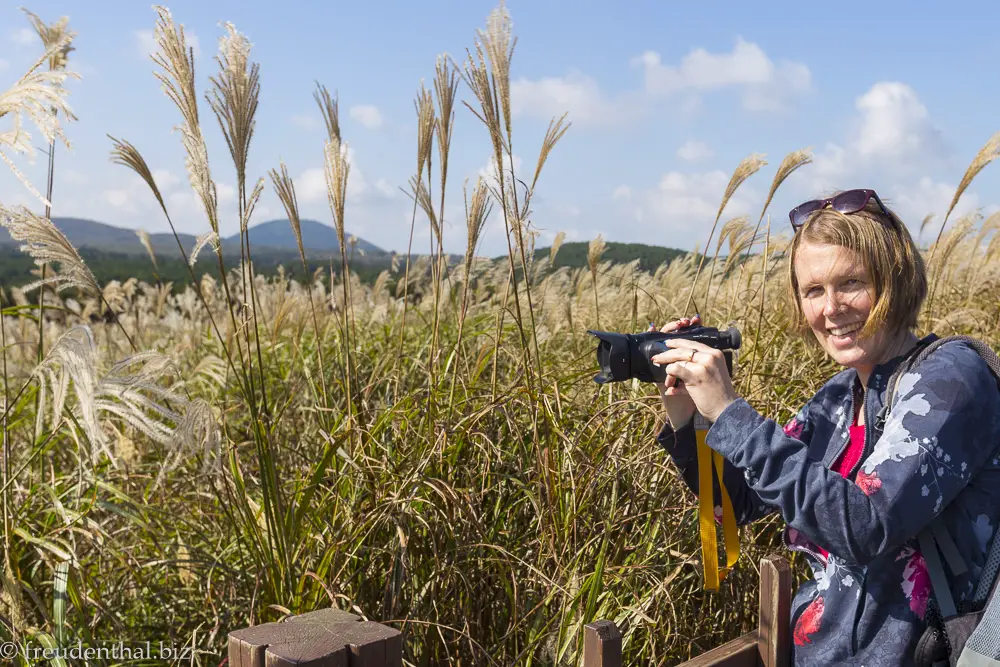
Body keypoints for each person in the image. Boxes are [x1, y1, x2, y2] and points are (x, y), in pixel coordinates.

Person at [647, 189, 1000, 666]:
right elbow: (738, 504)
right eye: (813, 291)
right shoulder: (837, 398)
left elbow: (866, 526)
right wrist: (689, 416)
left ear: (894, 280)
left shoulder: (951, 380)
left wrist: (732, 413)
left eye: (851, 283)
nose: (831, 308)